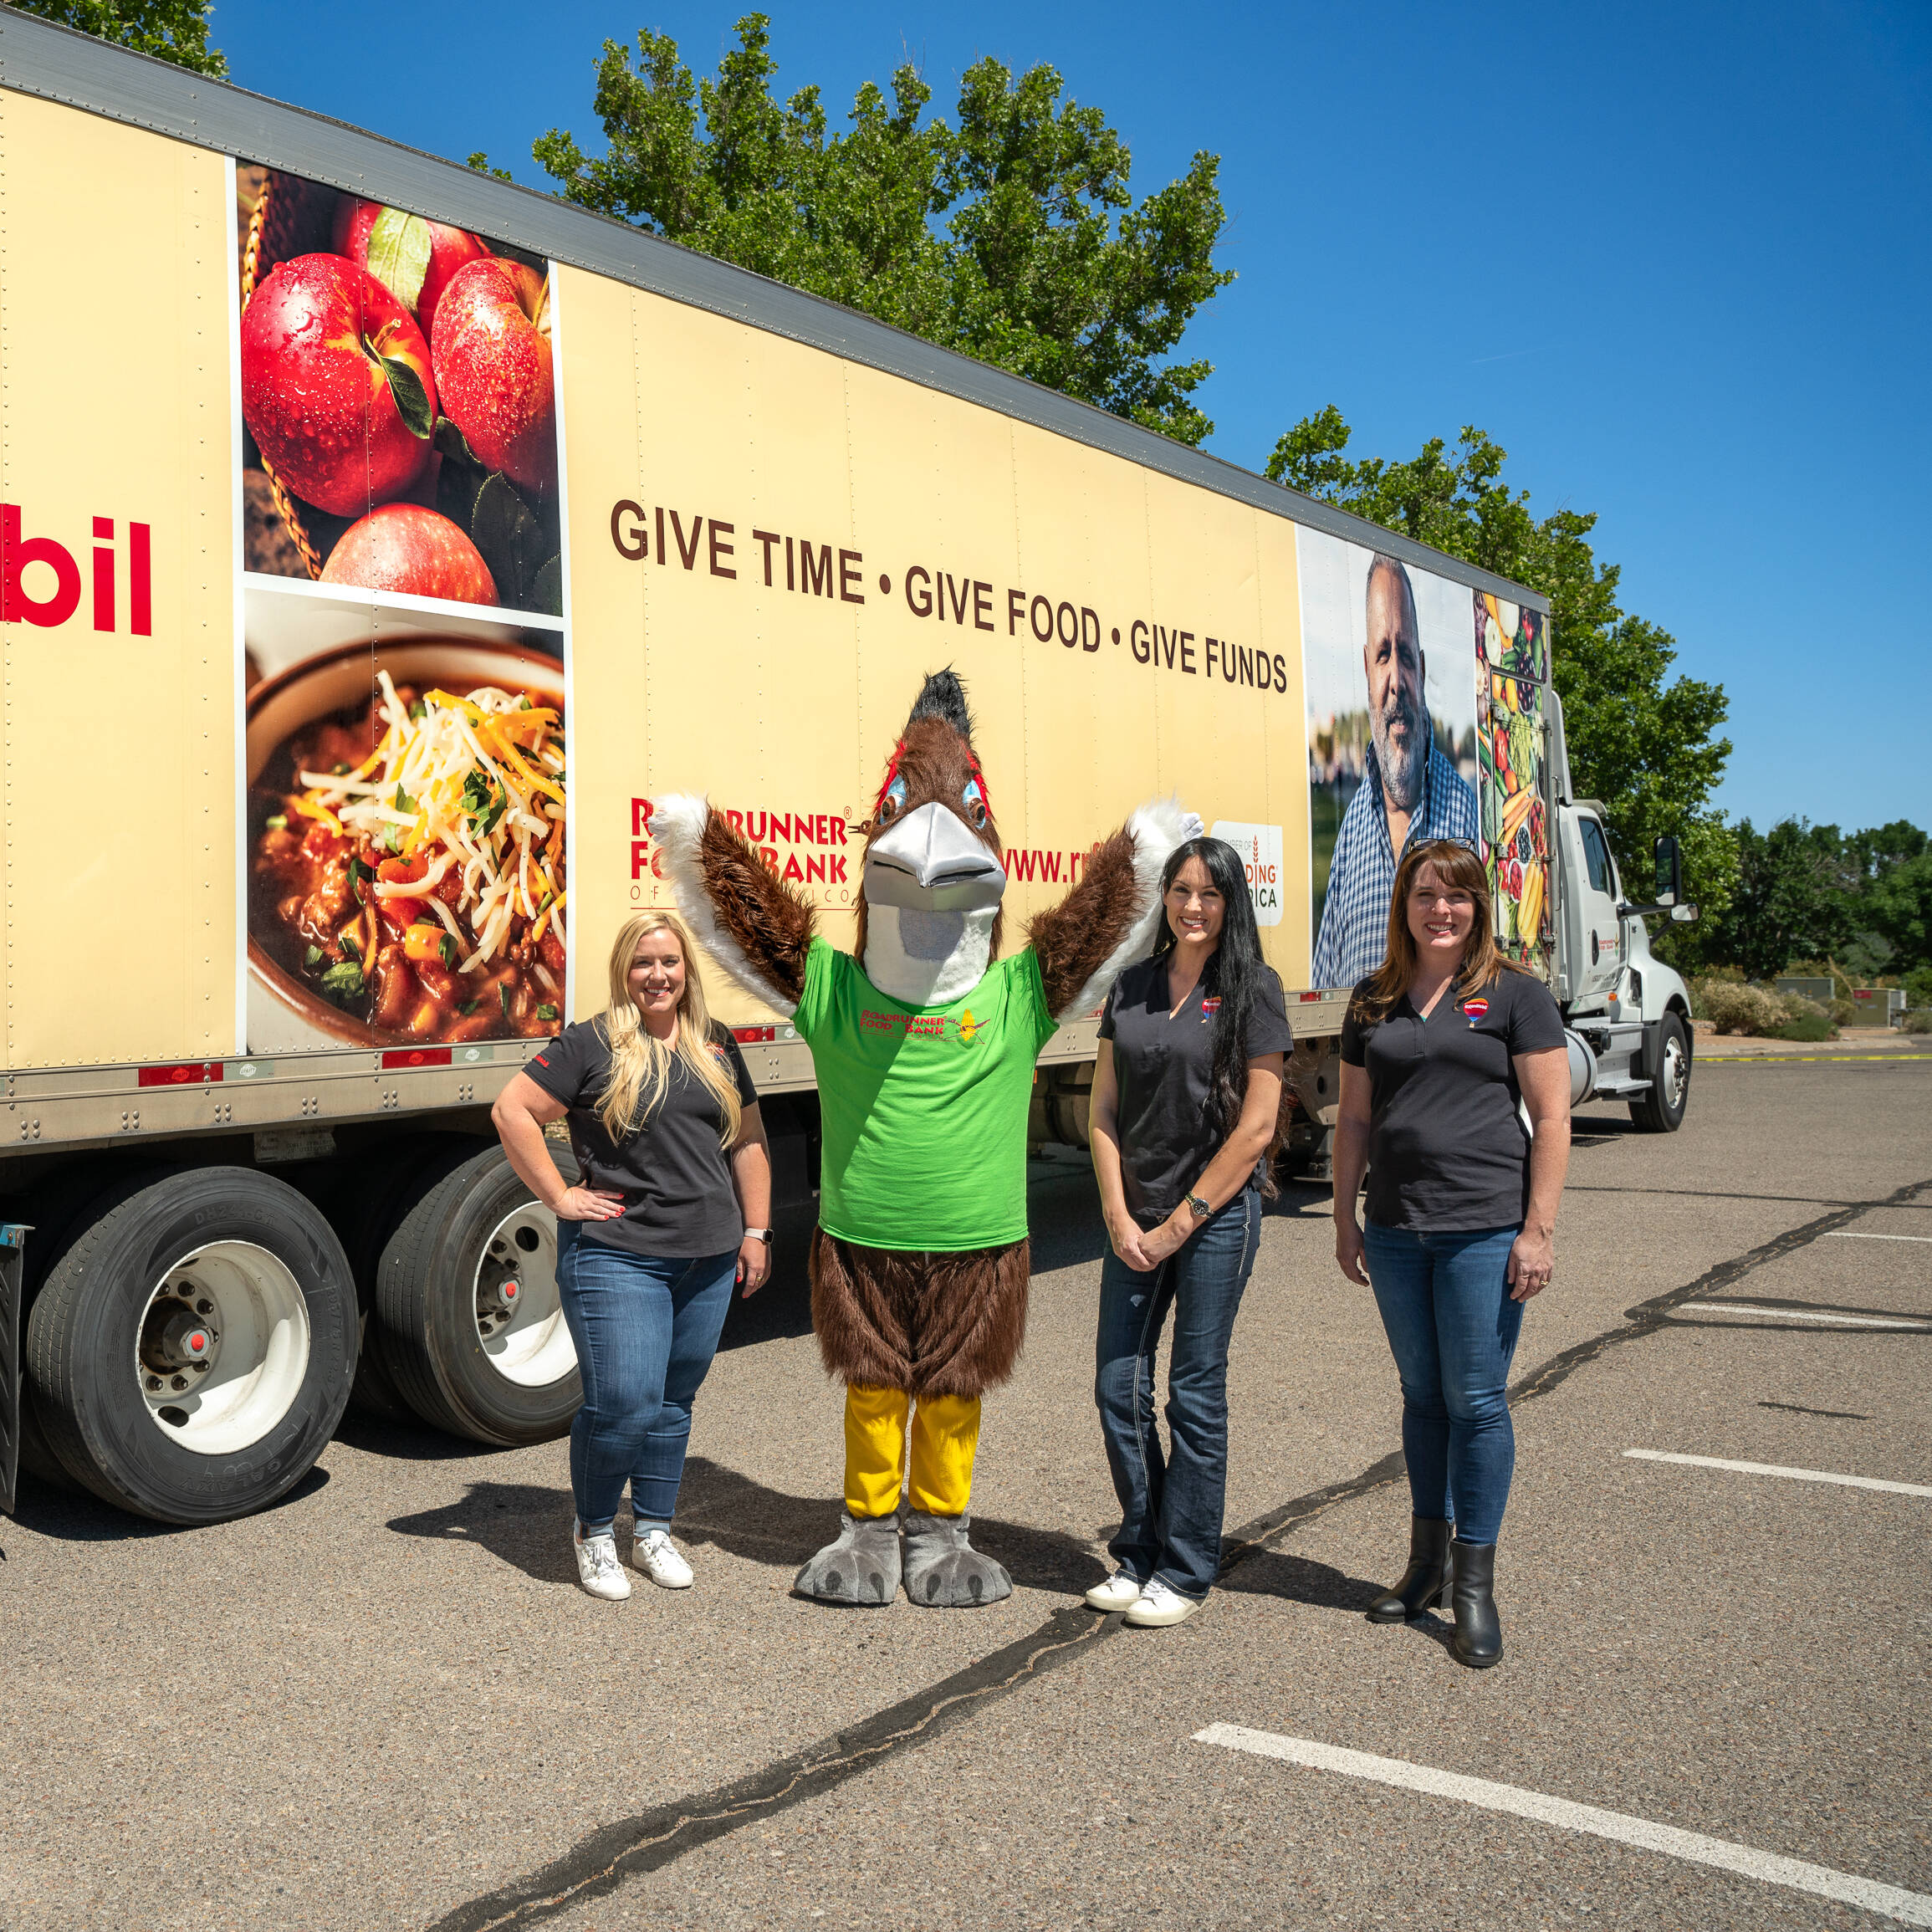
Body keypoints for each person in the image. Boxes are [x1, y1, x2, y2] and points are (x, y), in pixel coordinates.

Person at [1332, 839, 1570, 1667]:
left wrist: (1537, 1230)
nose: (1442, 909)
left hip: (1483, 1230)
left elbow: (1553, 1117)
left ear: (1478, 907)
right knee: (1422, 1398)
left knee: (1475, 1401)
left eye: (1458, 895)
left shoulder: (1515, 996)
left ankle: (1474, 1586)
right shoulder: (1374, 1000)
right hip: (1397, 1228)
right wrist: (1342, 1214)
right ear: (1403, 903)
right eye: (1426, 894)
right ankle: (1424, 1568)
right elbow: (1355, 1118)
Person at [492, 912, 772, 1602]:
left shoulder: (715, 1044)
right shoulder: (590, 1045)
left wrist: (757, 1231)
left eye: (670, 962)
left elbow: (749, 1141)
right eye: (644, 963)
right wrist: (559, 1196)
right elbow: (512, 1110)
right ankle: (594, 1533)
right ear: (625, 970)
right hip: (618, 1256)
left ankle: (652, 1528)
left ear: (687, 970)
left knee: (673, 1403)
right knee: (624, 1403)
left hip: (707, 1257)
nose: (658, 975)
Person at [1086, 837, 1290, 1628]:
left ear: (1231, 904)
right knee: (1117, 1387)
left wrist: (1180, 1223)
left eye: (1210, 893)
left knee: (1192, 1393)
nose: (1193, 906)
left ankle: (1186, 1566)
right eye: (1180, 890)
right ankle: (1138, 1551)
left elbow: (1258, 1126)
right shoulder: (1131, 986)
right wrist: (1115, 1211)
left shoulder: (1253, 989)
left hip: (1212, 1218)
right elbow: (1101, 1110)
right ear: (1164, 898)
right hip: (1133, 1216)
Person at [1311, 553, 1480, 989]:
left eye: (1405, 656)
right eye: (1383, 655)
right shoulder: (1352, 829)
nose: (1396, 681)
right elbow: (1326, 971)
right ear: (1367, 669)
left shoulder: (1468, 813)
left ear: (1421, 671)